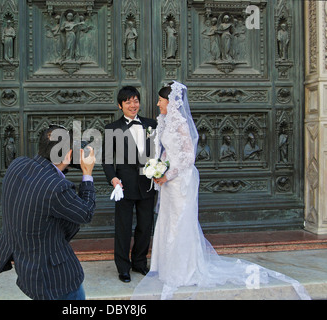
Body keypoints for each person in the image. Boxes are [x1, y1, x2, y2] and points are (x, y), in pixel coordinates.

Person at [132, 81, 310, 300]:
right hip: (169, 181)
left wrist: (167, 174)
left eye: (160, 100)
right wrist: (159, 168)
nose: (158, 103)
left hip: (182, 180)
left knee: (180, 222)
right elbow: (168, 151)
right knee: (169, 220)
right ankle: (169, 267)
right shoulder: (165, 121)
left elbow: (188, 156)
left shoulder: (180, 124)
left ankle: (184, 269)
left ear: (170, 102)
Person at [0, 125, 96, 300]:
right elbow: (85, 213)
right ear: (68, 155)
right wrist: (87, 173)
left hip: (27, 267)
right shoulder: (56, 188)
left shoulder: (17, 164)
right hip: (56, 279)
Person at [102, 86, 157, 283]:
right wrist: (113, 179)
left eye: (135, 101)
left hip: (148, 184)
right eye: (128, 102)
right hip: (123, 185)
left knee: (145, 226)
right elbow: (107, 160)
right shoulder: (112, 128)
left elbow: (159, 153)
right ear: (120, 105)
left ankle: (140, 263)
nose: (133, 105)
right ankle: (123, 267)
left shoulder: (152, 125)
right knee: (123, 228)